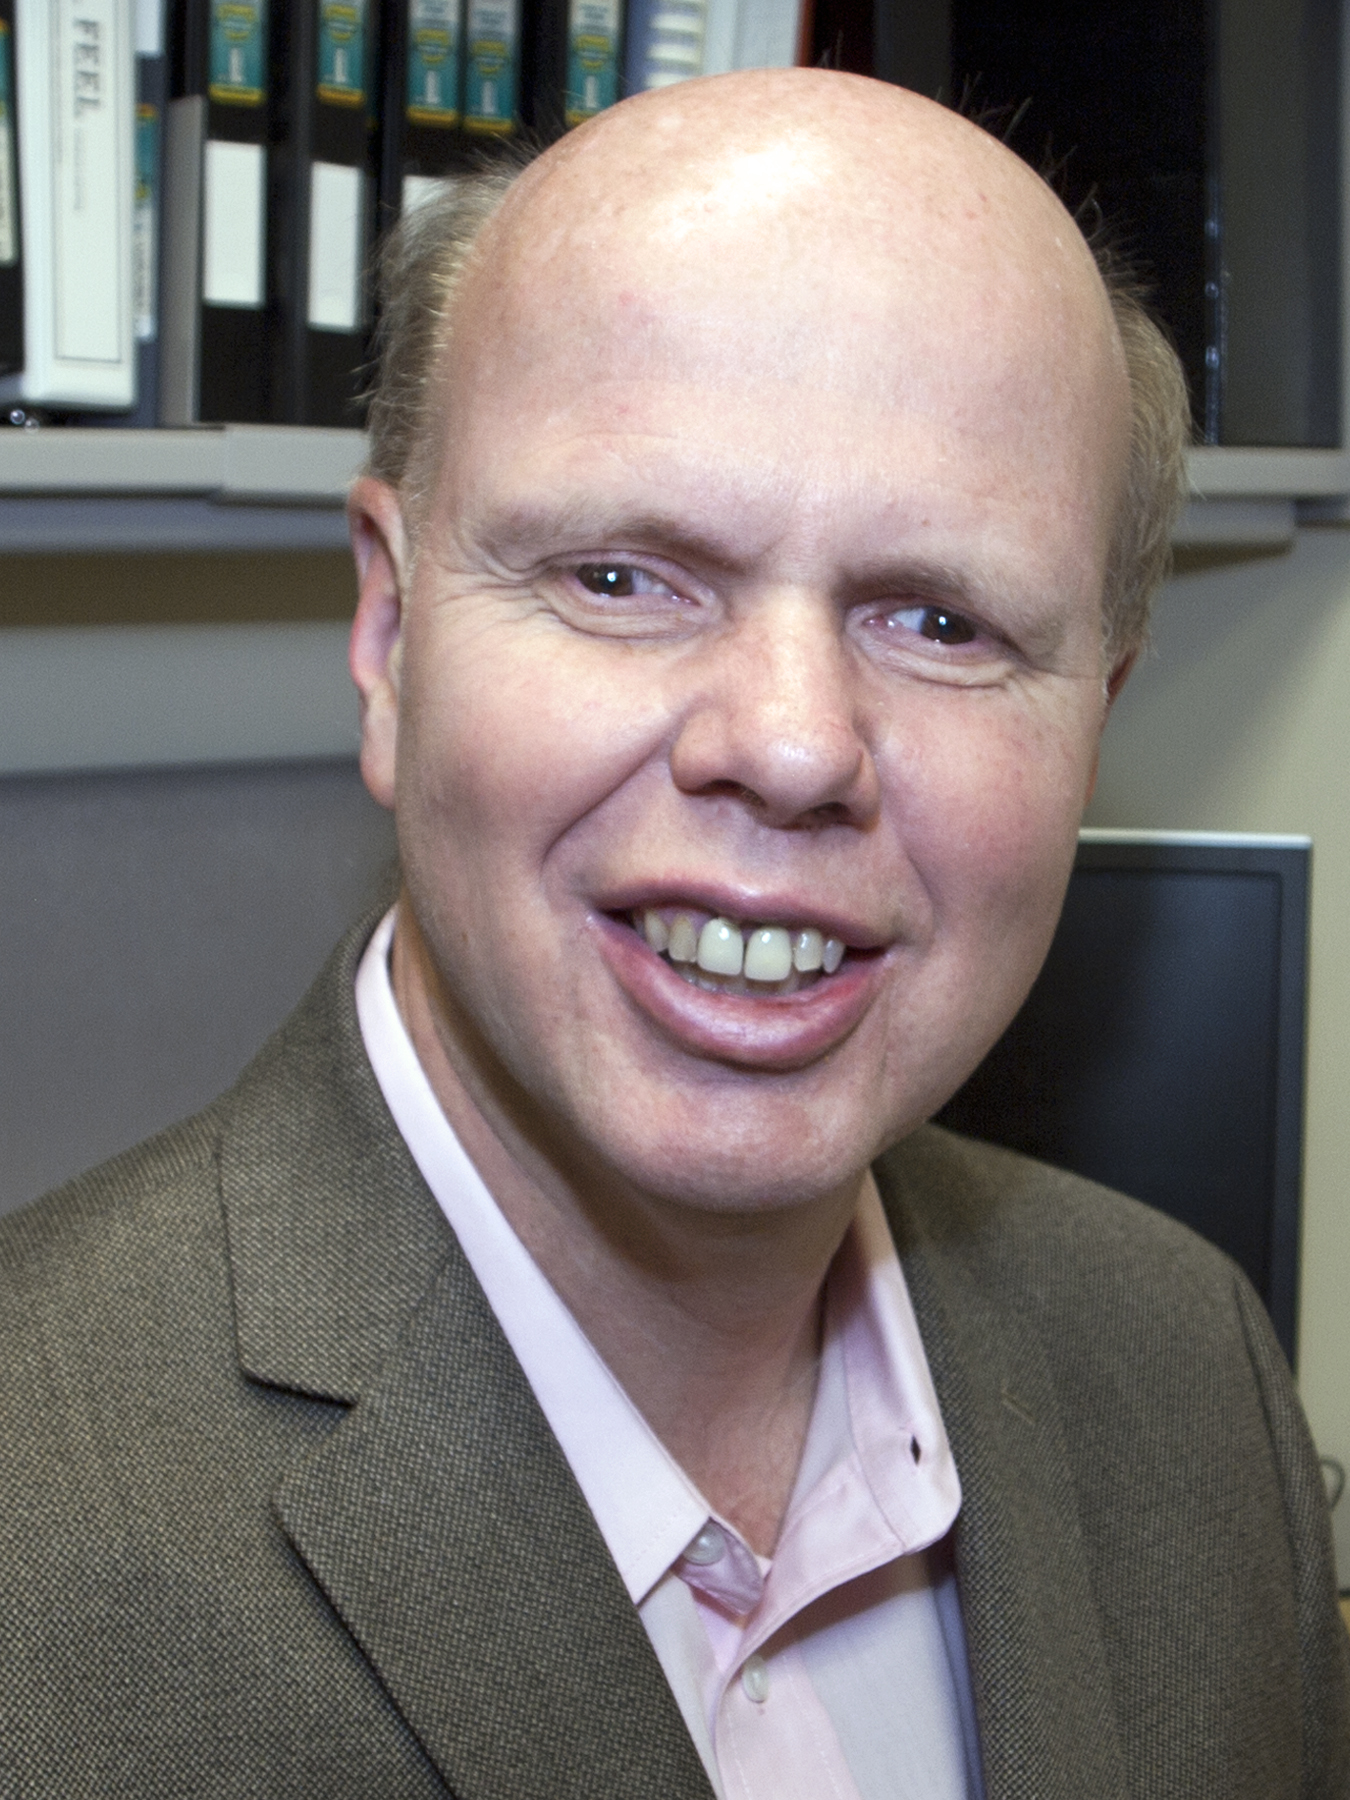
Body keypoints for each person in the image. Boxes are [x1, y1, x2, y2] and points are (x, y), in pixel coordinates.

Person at [0, 68, 1345, 1800]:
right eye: (625, 576)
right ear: (391, 632)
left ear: (1094, 712)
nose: (789, 745)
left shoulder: (1184, 1372)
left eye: (940, 618)